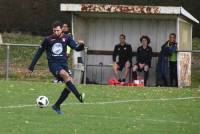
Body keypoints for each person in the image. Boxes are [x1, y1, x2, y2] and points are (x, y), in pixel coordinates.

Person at [27, 21, 85, 115]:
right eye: (54, 31)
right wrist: (31, 66)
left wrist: (82, 44)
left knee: (69, 85)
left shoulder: (67, 38)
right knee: (65, 75)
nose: (56, 32)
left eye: (57, 30)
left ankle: (56, 106)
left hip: (64, 64)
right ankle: (79, 97)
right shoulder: (48, 39)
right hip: (53, 64)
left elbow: (77, 48)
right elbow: (39, 52)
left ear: (61, 29)